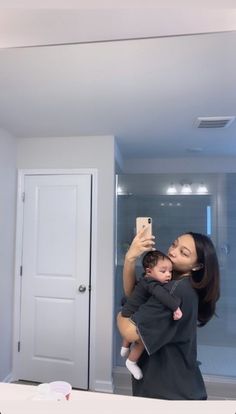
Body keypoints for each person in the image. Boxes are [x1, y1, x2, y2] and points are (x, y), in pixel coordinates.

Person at [117, 228, 220, 400]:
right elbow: (136, 294)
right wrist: (130, 258)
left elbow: (129, 331)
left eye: (183, 253)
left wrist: (120, 315)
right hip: (176, 382)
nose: (172, 252)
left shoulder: (175, 291)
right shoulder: (171, 280)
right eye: (174, 244)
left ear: (197, 266)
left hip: (167, 391)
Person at [120, 250, 183, 380]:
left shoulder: (145, 278)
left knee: (133, 324)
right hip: (130, 317)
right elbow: (162, 295)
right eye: (163, 271)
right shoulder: (152, 283)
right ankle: (131, 362)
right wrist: (175, 307)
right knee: (143, 340)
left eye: (170, 271)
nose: (168, 275)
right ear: (149, 271)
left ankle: (125, 346)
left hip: (127, 312)